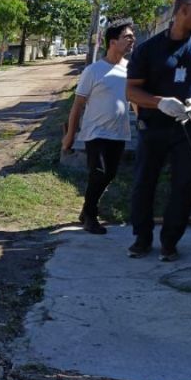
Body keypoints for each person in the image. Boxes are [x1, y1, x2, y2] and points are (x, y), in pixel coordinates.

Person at [126, 0, 191, 260]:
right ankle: (141, 238)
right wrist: (159, 102)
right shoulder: (148, 49)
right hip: (154, 127)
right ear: (183, 9)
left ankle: (170, 242)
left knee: (184, 184)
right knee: (144, 181)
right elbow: (131, 91)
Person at [62, 18, 136, 234]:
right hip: (95, 133)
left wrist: (143, 122)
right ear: (113, 42)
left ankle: (86, 210)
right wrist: (70, 136)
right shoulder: (93, 71)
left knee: (110, 174)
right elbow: (77, 106)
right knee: (99, 173)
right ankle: (91, 216)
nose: (132, 40)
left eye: (132, 36)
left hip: (120, 133)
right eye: (127, 37)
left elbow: (134, 100)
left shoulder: (131, 69)